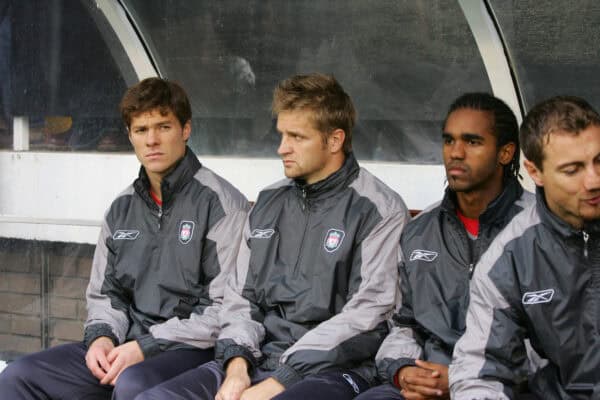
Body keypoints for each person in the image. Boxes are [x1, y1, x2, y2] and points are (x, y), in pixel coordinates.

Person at [136, 73, 409, 400]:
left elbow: (367, 316)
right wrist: (237, 365)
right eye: (282, 135)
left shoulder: (380, 210)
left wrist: (279, 381)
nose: (282, 148)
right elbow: (240, 298)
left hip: (331, 370)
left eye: (296, 137)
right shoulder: (268, 203)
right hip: (256, 358)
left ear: (334, 140)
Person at [0, 77, 249, 399]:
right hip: (126, 343)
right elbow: (107, 296)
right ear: (130, 136)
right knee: (20, 376)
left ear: (185, 130)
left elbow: (224, 308)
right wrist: (102, 337)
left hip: (192, 348)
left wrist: (144, 347)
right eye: (141, 130)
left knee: (133, 382)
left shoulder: (222, 204)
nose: (152, 140)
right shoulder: (121, 208)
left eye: (163, 127)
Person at [355, 93, 534, 400]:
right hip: (426, 380)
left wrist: (465, 379)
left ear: (505, 153)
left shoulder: (538, 229)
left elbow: (556, 343)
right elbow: (403, 323)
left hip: (505, 386)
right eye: (449, 141)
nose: (456, 152)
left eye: (472, 142)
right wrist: (404, 371)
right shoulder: (420, 230)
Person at [450, 95, 600, 399]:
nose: (594, 180)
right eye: (572, 170)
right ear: (535, 172)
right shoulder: (509, 259)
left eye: (599, 161)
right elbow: (481, 369)